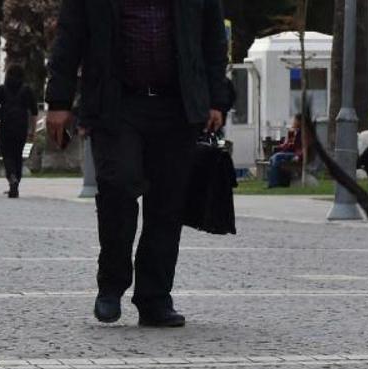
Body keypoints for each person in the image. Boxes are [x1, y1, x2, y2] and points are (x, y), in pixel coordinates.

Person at [45, 0, 231, 327]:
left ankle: (155, 298)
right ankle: (112, 283)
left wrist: (217, 99)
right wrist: (59, 100)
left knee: (167, 205)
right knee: (117, 186)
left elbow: (214, 39)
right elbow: (69, 36)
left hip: (177, 105)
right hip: (116, 103)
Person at [0, 65, 38, 198]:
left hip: (6, 127)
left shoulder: (1, 90)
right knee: (17, 156)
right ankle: (15, 182)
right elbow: (34, 112)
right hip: (21, 127)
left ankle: (12, 178)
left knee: (7, 156)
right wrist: (33, 131)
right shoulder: (27, 90)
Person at [267, 114, 303, 188]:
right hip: (289, 152)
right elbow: (287, 145)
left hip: (296, 154)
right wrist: (285, 143)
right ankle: (278, 182)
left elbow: (300, 147)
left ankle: (274, 184)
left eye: (295, 120)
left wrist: (298, 156)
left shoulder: (302, 133)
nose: (293, 122)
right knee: (273, 159)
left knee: (276, 157)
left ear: (299, 122)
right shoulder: (293, 131)